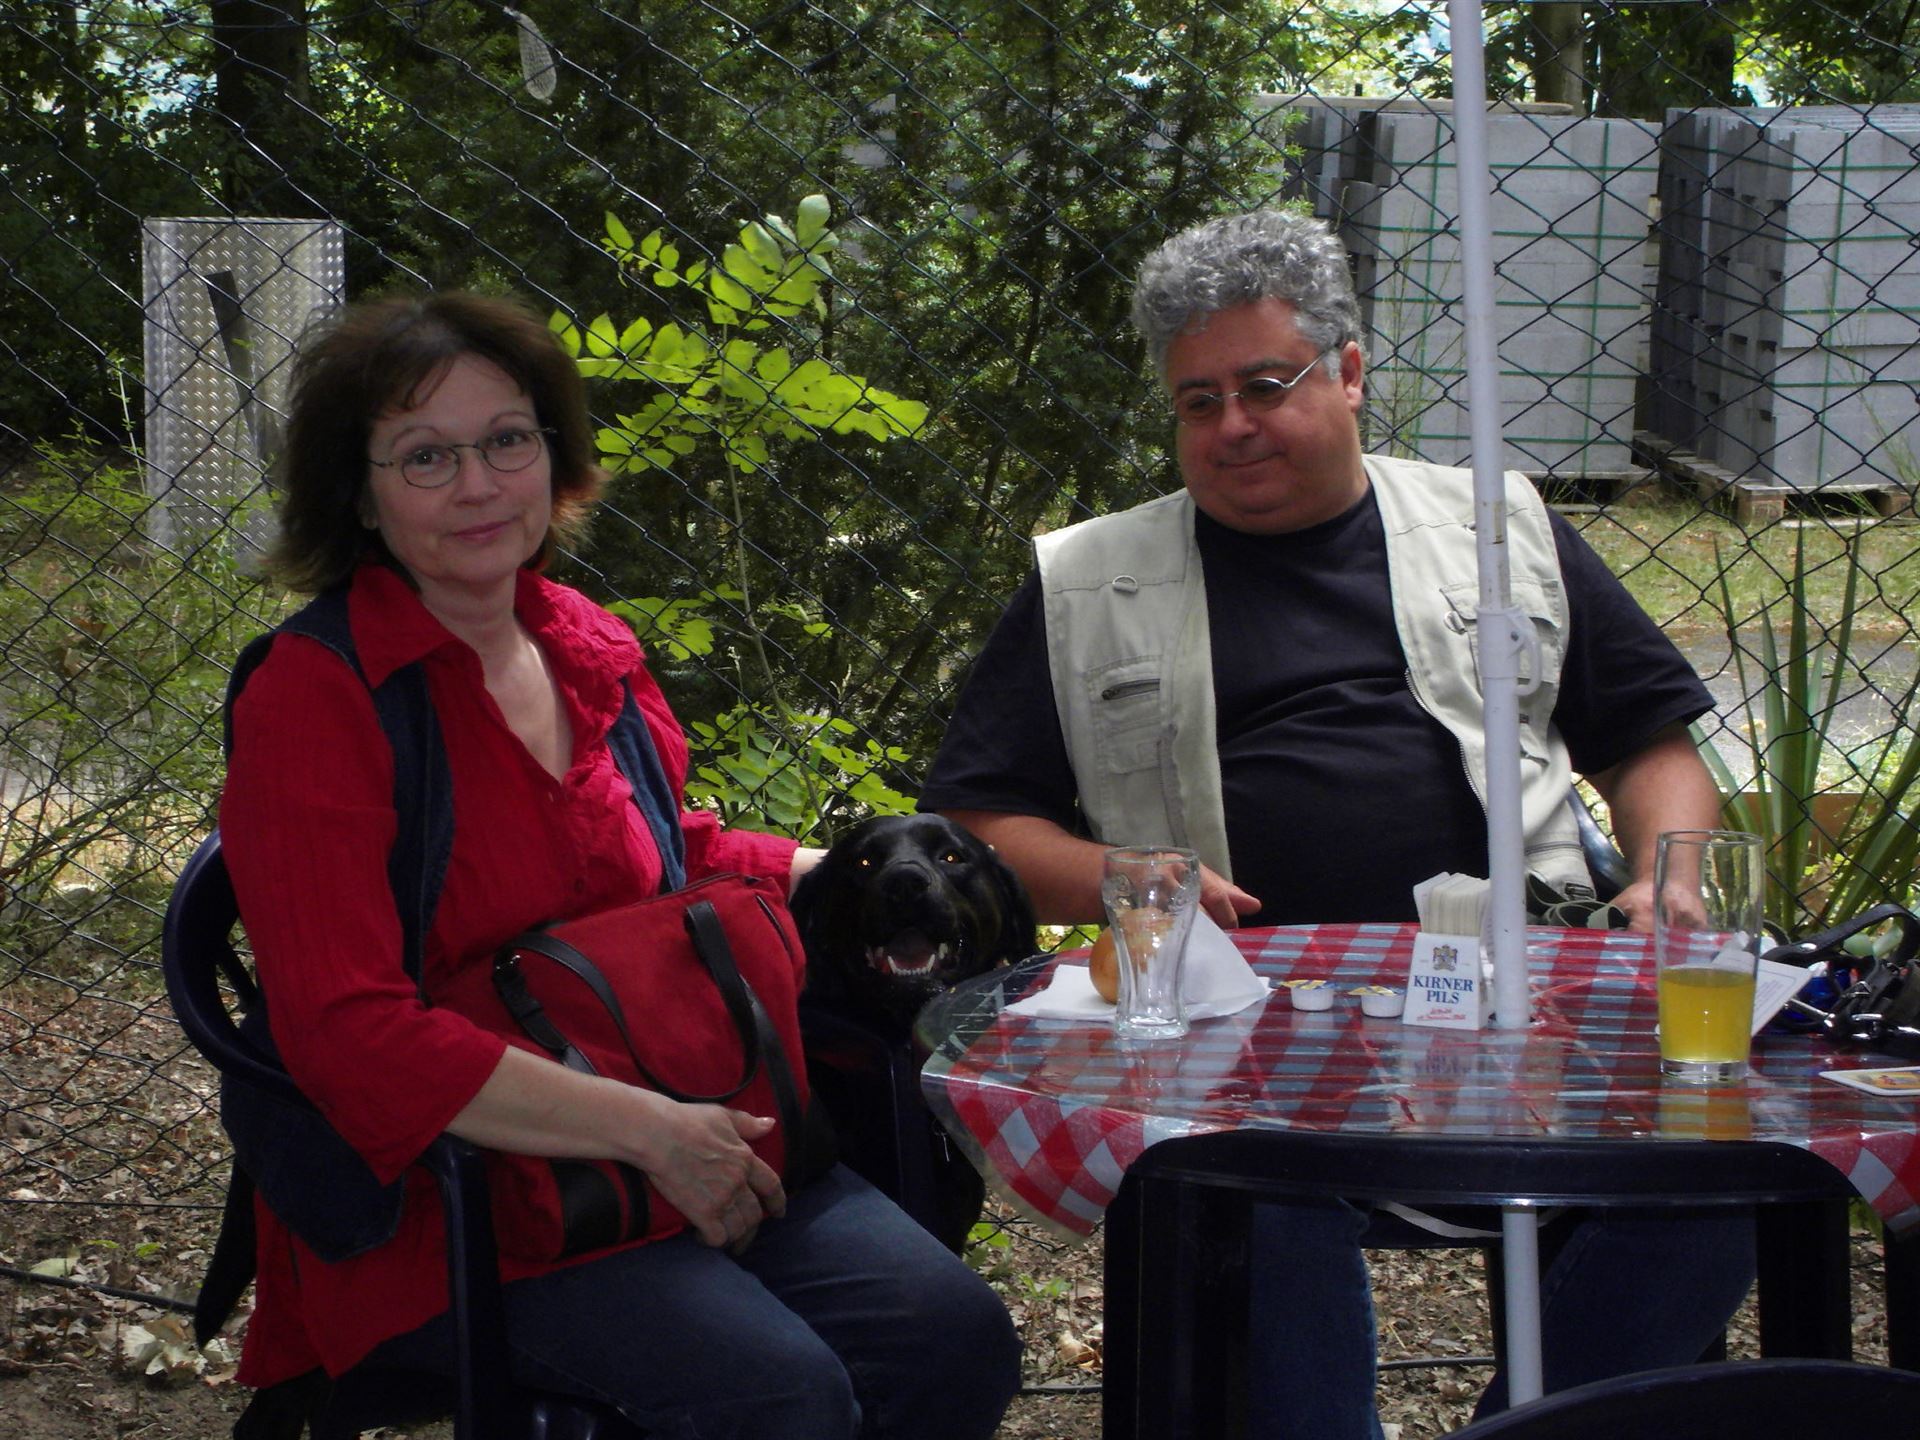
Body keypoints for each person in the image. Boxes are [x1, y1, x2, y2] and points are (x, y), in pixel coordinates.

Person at [921, 210, 1751, 1434]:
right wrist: (1125, 876)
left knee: (1724, 1169)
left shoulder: (1498, 530)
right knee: (1250, 1185)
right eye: (1198, 402)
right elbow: (976, 821)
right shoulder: (1089, 581)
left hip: (1525, 995)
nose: (1233, 426)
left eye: (1266, 385)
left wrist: (1666, 877)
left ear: (1350, 372)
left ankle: (1542, 1426)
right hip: (1237, 1025)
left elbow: (1650, 744)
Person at [219, 291, 1020, 1440]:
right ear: (359, 493)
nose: (480, 484)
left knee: (953, 1343)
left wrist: (879, 869)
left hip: (669, 1111)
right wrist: (647, 1130)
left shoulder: (581, 641)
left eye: (507, 439)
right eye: (426, 456)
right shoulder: (319, 696)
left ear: (553, 455)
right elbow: (346, 1031)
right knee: (782, 1397)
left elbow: (664, 854)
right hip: (460, 1192)